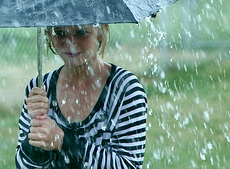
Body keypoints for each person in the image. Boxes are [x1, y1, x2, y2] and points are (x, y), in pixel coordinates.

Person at [15, 24, 147, 168]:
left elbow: (129, 165)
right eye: (60, 33)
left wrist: (62, 141)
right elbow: (23, 166)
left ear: (101, 32)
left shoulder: (124, 89)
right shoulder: (40, 88)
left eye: (81, 32)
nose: (70, 42)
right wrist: (36, 137)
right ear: (49, 35)